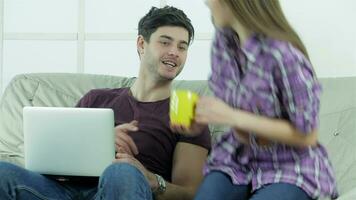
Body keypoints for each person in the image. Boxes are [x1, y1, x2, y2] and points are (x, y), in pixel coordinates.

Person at [0, 6, 211, 200]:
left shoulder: (186, 109)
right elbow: (56, 167)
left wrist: (151, 180)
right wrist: (99, 142)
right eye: (165, 42)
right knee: (3, 172)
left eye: (182, 47)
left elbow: (191, 193)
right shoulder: (97, 98)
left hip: (126, 187)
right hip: (65, 192)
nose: (174, 52)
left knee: (121, 171)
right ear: (141, 44)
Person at [185, 0, 338, 200]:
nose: (205, 1)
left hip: (290, 167)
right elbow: (232, 115)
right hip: (237, 161)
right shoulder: (223, 45)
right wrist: (200, 122)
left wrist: (234, 117)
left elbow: (307, 135)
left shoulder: (283, 55)